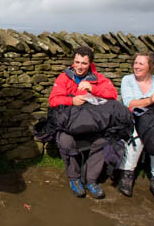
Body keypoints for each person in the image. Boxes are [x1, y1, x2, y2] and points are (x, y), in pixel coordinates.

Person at [49, 46, 118, 199]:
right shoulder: (64, 78)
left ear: (90, 64)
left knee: (103, 141)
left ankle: (91, 180)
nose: (79, 66)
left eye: (84, 63)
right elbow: (53, 100)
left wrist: (93, 89)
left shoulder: (98, 78)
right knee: (66, 141)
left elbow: (113, 95)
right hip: (69, 124)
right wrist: (71, 100)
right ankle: (74, 178)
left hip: (92, 124)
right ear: (73, 62)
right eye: (77, 62)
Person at [117, 51, 154, 207]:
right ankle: (127, 174)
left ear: (150, 66)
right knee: (136, 137)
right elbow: (128, 104)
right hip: (134, 119)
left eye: (141, 64)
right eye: (135, 63)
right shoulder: (128, 80)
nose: (136, 66)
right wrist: (150, 100)